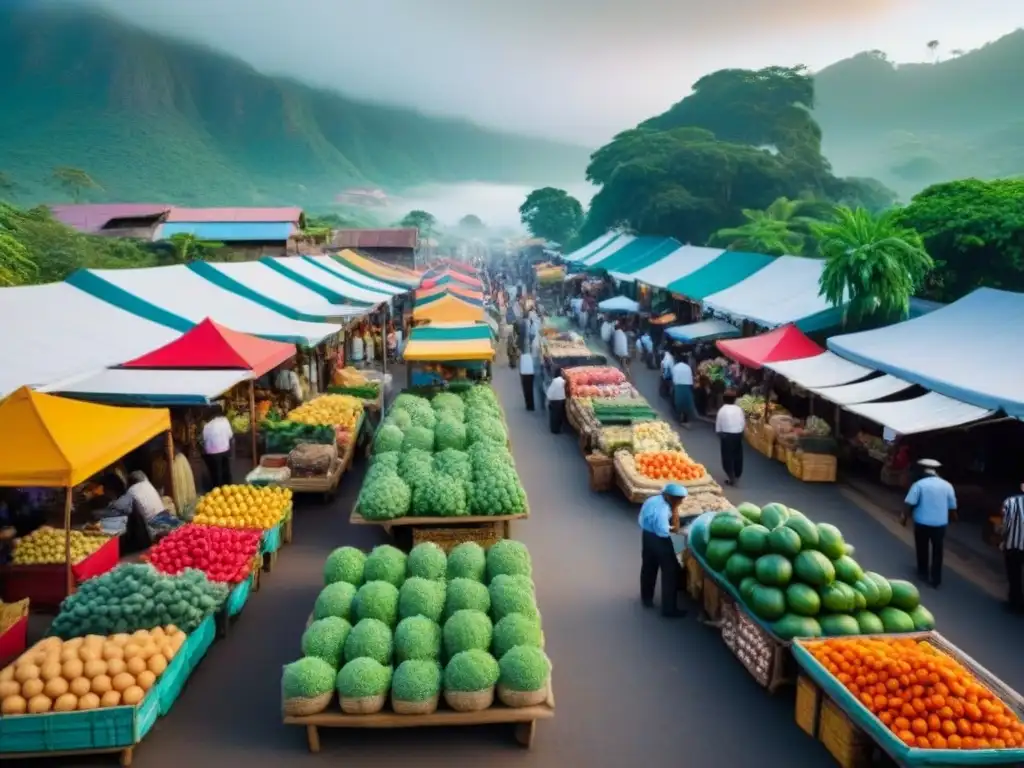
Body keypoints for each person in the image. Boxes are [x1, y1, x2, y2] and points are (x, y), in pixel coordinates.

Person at [901, 459, 957, 588]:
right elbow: (952, 507)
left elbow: (909, 503)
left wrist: (904, 518)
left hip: (922, 522)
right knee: (938, 550)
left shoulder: (919, 485)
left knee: (922, 547)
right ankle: (936, 578)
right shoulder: (947, 485)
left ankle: (923, 572)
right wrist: (954, 520)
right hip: (940, 524)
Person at [638, 483, 689, 618]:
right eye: (678, 499)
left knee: (648, 567)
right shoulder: (664, 510)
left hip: (647, 536)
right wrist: (678, 532)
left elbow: (641, 518)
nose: (680, 502)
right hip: (660, 540)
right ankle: (669, 610)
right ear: (669, 497)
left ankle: (646, 598)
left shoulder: (652, 500)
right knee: (670, 572)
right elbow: (663, 532)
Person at [1000, 482, 1024, 613]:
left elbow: (1006, 524)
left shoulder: (1011, 502)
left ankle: (1015, 601)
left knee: (1014, 574)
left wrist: (1003, 540)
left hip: (1013, 545)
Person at [715, 392, 746, 486]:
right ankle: (737, 474)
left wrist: (719, 433)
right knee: (737, 455)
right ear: (735, 400)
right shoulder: (739, 409)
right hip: (737, 434)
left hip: (726, 435)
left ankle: (731, 476)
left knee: (727, 456)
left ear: (724, 399)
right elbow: (743, 421)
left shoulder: (722, 410)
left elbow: (718, 423)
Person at [202, 405, 234, 489]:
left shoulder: (207, 425)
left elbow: (205, 440)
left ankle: (217, 490)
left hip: (212, 453)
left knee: (215, 473)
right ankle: (228, 488)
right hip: (225, 450)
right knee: (226, 470)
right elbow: (230, 435)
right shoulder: (225, 421)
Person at [672, 356, 697, 428]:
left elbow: (674, 378)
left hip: (678, 386)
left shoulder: (675, 367)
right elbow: (690, 378)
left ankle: (679, 417)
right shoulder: (688, 367)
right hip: (687, 386)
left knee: (678, 401)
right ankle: (685, 420)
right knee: (687, 402)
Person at [546, 368, 567, 433]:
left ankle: (554, 429)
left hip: (553, 400)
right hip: (559, 400)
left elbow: (550, 391)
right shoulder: (562, 381)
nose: (564, 373)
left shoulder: (555, 380)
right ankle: (556, 429)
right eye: (563, 372)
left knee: (553, 415)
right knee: (558, 416)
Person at [518, 345, 535, 411]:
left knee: (526, 390)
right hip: (531, 373)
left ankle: (528, 405)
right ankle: (531, 405)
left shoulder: (522, 356)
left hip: (524, 374)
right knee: (530, 390)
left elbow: (520, 366)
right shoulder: (531, 355)